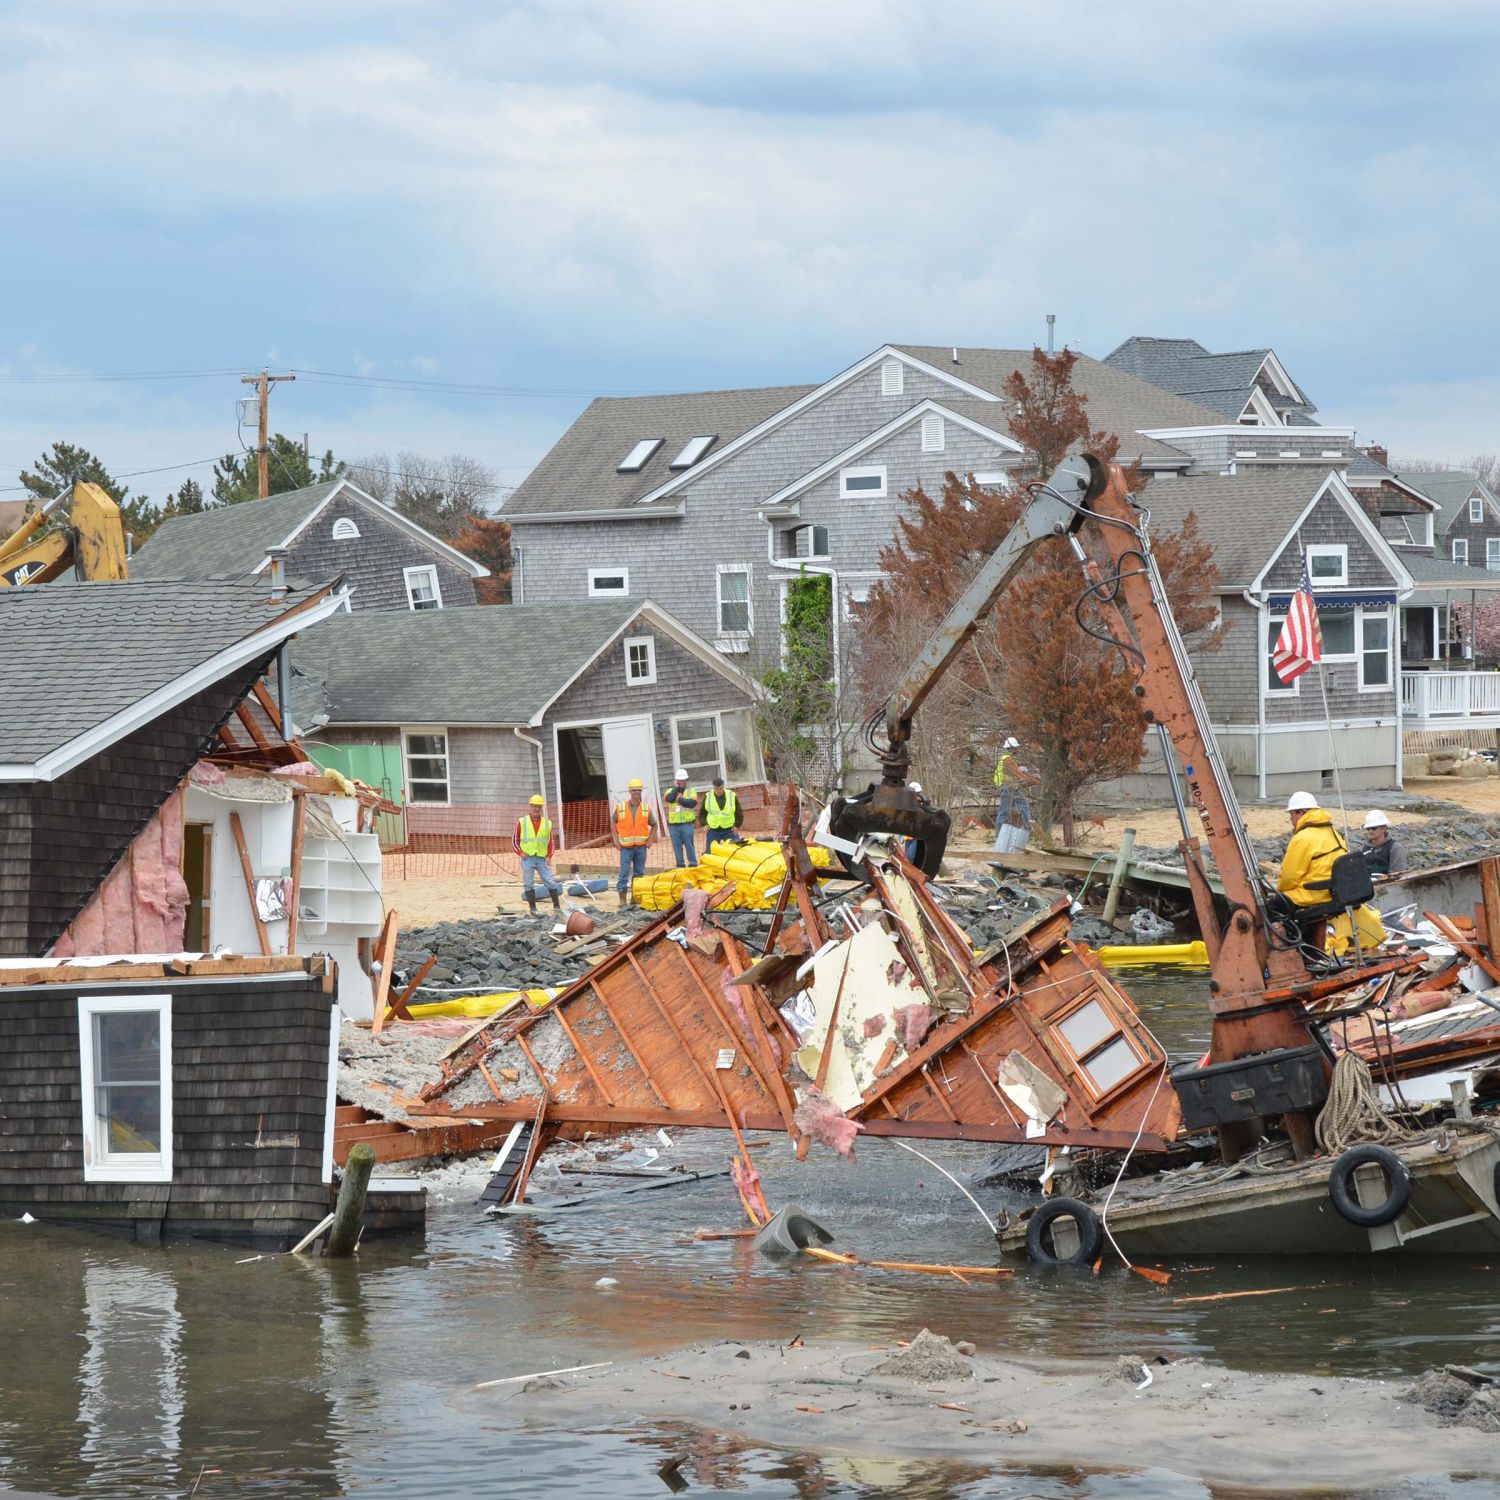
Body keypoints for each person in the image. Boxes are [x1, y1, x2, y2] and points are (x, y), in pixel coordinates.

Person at [1267, 790, 1348, 926]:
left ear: (1300, 813)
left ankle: (1286, 944)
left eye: (1291, 814)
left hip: (1314, 894)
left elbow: (1289, 876)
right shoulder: (1333, 832)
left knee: (1270, 908)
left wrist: (1279, 890)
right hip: (1334, 893)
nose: (1290, 819)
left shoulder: (1303, 837)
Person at [513, 794, 563, 915]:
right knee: (528, 883)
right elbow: (515, 840)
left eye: (539, 807)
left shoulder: (547, 823)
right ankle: (533, 909)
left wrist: (549, 856)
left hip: (542, 858)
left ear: (541, 808)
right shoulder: (522, 822)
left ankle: (556, 906)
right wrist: (520, 852)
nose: (536, 809)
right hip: (527, 858)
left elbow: (551, 842)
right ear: (530, 806)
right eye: (534, 806)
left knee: (550, 881)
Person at [613, 777, 656, 908]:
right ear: (630, 791)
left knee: (638, 874)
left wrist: (650, 841)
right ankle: (622, 899)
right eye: (634, 790)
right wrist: (616, 840)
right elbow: (613, 822)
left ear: (641, 791)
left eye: (638, 790)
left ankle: (634, 898)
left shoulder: (645, 808)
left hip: (641, 848)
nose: (636, 792)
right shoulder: (620, 807)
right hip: (626, 848)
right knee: (624, 872)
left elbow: (654, 825)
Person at [992, 736, 1035, 850]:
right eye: (1015, 748)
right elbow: (1014, 772)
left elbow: (1014, 771)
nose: (1016, 750)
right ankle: (998, 835)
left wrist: (1022, 772)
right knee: (1004, 812)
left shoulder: (1009, 758)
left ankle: (1028, 829)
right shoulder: (1007, 759)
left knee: (1024, 806)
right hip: (1007, 787)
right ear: (1010, 748)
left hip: (1012, 787)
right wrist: (1027, 778)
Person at [663, 767, 699, 868]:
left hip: (687, 824)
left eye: (683, 780)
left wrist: (679, 799)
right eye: (679, 780)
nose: (681, 782)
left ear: (686, 780)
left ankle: (692, 863)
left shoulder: (691, 791)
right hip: (674, 825)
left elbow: (691, 803)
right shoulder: (670, 790)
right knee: (677, 846)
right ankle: (680, 865)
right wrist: (677, 790)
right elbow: (669, 799)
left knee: (689, 845)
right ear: (676, 781)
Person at [1360, 809, 1408, 878]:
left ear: (1384, 829)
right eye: (1368, 828)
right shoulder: (1365, 849)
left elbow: (1399, 875)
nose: (1370, 831)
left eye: (1374, 828)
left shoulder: (1395, 848)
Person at [699, 776, 744, 845]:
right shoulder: (708, 796)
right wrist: (704, 824)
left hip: (729, 830)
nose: (719, 791)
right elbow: (702, 813)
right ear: (713, 787)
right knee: (710, 852)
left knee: (735, 850)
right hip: (713, 830)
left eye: (721, 788)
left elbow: (739, 812)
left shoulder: (731, 795)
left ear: (723, 787)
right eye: (717, 789)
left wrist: (736, 825)